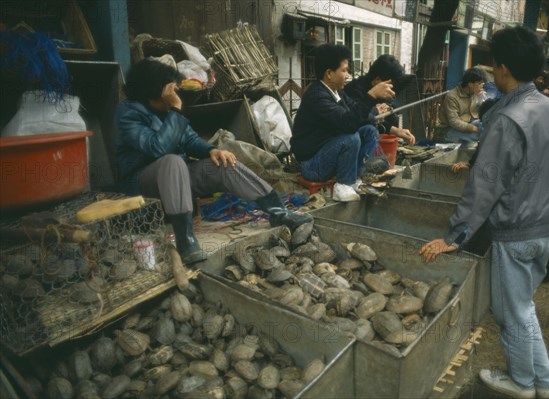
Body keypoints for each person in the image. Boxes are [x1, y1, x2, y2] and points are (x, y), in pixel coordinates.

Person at [420, 27, 549, 399]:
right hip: (548, 226)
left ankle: (521, 382)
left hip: (518, 231)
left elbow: (484, 186)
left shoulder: (510, 118)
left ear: (503, 68)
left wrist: (455, 235)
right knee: (524, 307)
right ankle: (544, 382)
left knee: (510, 314)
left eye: (494, 67)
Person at [116, 59, 312, 265]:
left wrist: (213, 150)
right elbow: (157, 148)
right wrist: (175, 110)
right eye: (171, 87)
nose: (176, 91)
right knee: (172, 162)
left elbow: (190, 140)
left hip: (177, 180)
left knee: (223, 163)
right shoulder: (128, 112)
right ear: (156, 88)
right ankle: (186, 240)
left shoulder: (167, 112)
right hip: (142, 184)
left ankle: (278, 212)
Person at [291, 44, 392, 202]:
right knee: (351, 138)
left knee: (369, 130)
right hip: (312, 165)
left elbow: (355, 112)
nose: (348, 75)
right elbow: (348, 123)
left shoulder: (337, 92)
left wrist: (374, 111)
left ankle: (353, 178)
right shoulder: (317, 96)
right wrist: (371, 95)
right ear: (329, 73)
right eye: (344, 70)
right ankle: (343, 184)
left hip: (327, 154)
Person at [344, 54, 416, 145]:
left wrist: (397, 131)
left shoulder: (382, 94)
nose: (392, 92)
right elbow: (360, 121)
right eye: (390, 86)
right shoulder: (353, 90)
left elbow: (382, 123)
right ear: (377, 80)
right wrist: (374, 109)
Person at [436, 67, 487, 142]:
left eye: (482, 83)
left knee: (488, 125)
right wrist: (473, 128)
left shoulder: (474, 93)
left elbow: (481, 114)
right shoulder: (452, 96)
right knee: (479, 137)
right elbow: (454, 122)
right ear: (470, 84)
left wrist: (481, 99)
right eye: (479, 83)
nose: (482, 86)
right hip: (450, 129)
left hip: (470, 122)